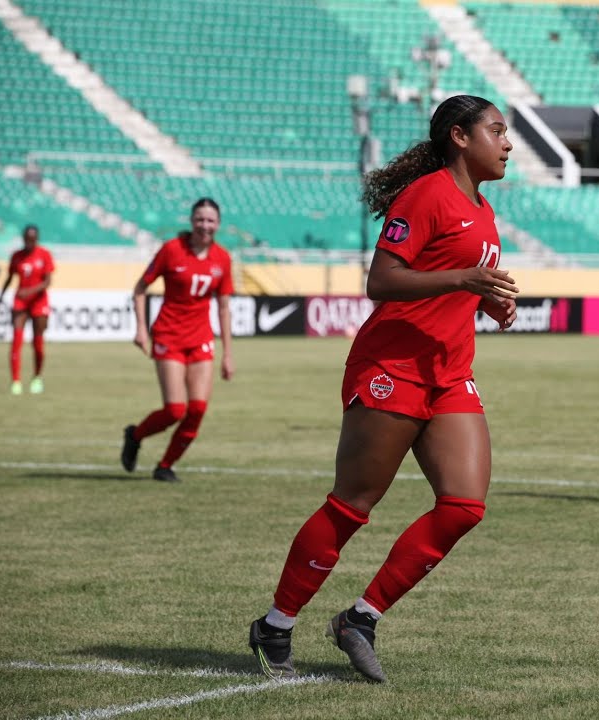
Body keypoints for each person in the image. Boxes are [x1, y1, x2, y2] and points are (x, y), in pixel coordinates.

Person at [248, 94, 519, 683]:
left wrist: (486, 299)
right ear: (459, 137)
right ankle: (276, 624)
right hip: (391, 367)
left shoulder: (484, 208)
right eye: (496, 131)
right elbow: (382, 280)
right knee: (353, 505)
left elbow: (455, 283)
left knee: (464, 506)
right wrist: (464, 277)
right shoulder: (426, 195)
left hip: (450, 372)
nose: (507, 143)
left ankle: (360, 619)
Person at [120, 198, 235, 484]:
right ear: (191, 221)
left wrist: (228, 354)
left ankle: (165, 465)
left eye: (210, 221)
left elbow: (223, 307)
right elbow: (140, 288)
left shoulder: (222, 258)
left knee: (196, 409)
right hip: (169, 336)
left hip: (201, 340)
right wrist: (141, 329)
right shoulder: (171, 250)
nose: (204, 226)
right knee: (175, 409)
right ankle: (135, 435)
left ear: (218, 224)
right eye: (200, 219)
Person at [0, 224, 54, 395]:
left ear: (36, 239)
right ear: (23, 238)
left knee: (38, 344)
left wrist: (30, 290)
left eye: (33, 239)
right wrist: (0, 299)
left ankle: (37, 377)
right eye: (27, 239)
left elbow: (48, 282)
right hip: (20, 302)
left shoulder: (44, 255)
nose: (30, 242)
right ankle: (15, 381)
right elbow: (9, 278)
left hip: (39, 302)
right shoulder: (16, 256)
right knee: (16, 341)